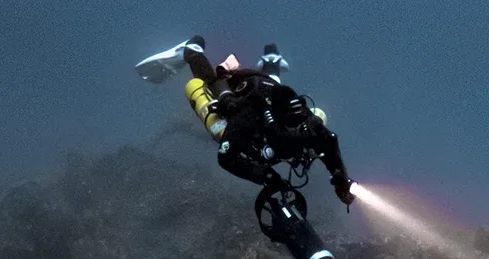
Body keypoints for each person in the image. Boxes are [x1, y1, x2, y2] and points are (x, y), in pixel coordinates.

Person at [138, 36, 356, 208]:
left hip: (266, 88)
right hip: (239, 95)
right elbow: (226, 157)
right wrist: (267, 177)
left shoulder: (306, 122)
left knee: (273, 85)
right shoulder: (249, 118)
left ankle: (271, 59)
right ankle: (192, 50)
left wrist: (341, 182)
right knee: (213, 96)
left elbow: (330, 142)